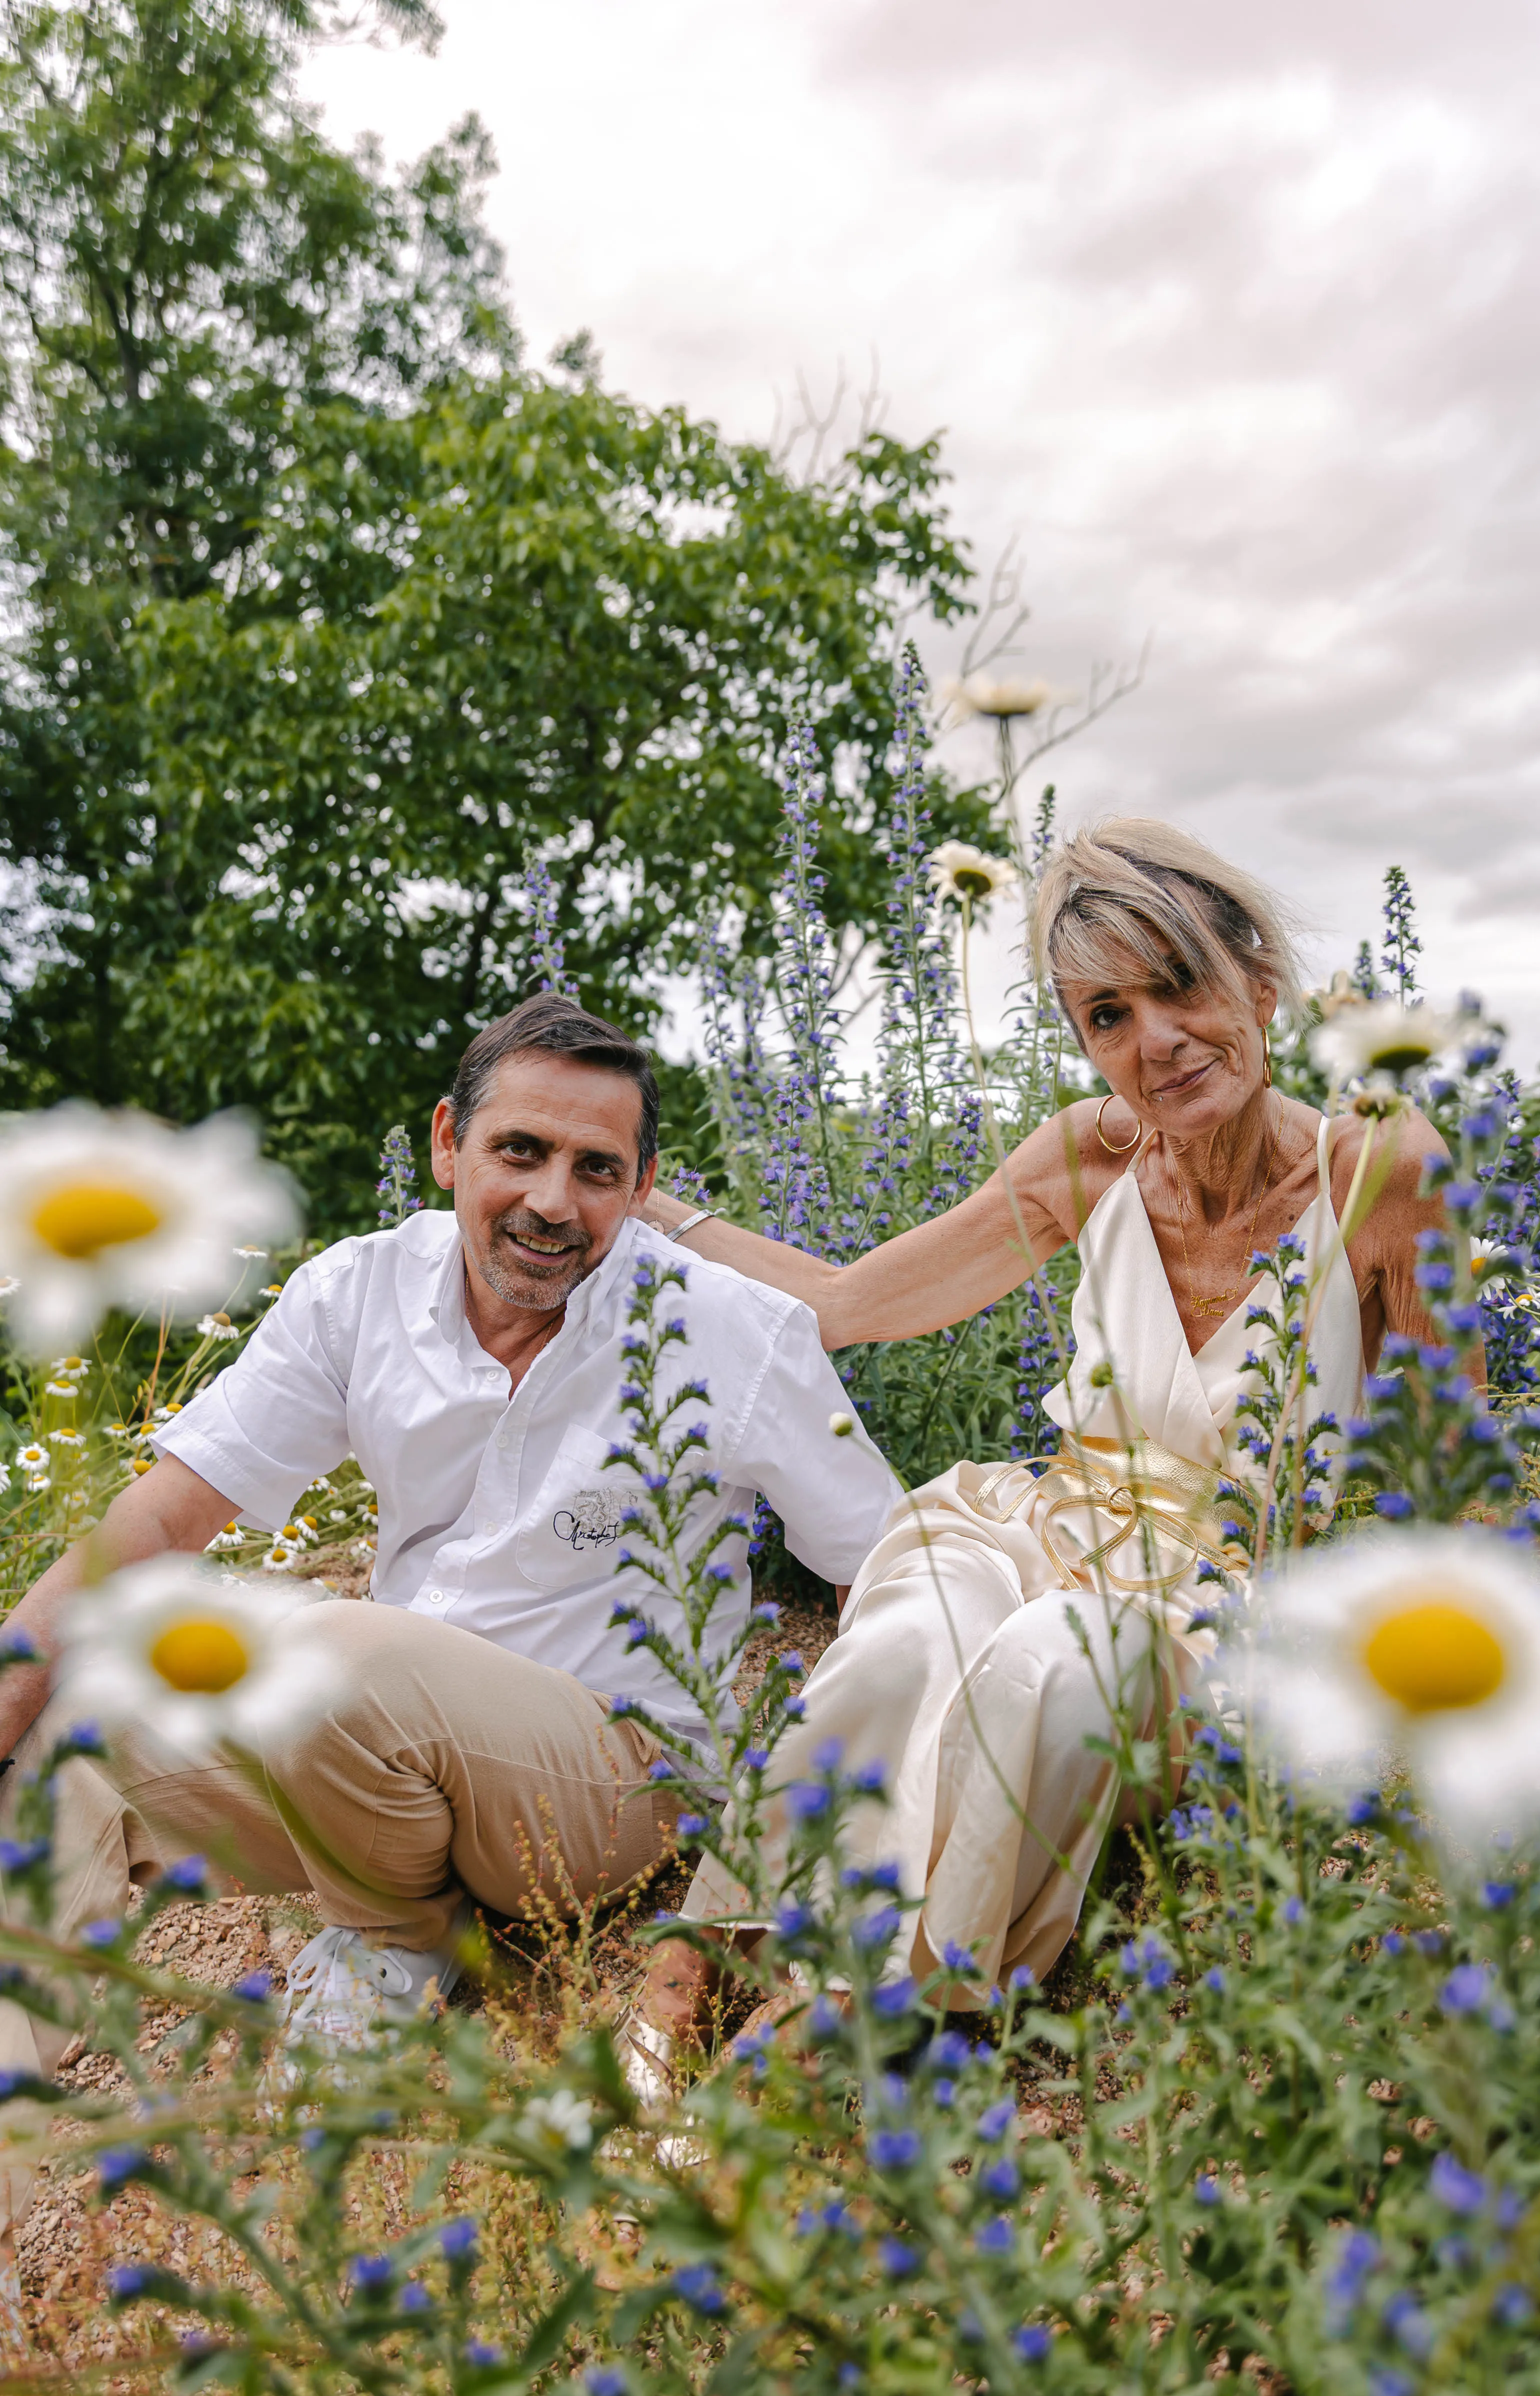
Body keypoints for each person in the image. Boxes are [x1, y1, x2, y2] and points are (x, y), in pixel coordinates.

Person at [0, 994, 898, 2250]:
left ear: (644, 1188)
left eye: (596, 1170)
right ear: (447, 1146)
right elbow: (156, 1525)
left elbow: (888, 1570)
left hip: (609, 1784)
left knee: (337, 1649)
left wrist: (806, 1841)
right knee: (79, 1719)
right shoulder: (358, 1291)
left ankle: (386, 1949)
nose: (550, 1202)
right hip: (379, 1753)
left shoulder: (731, 1332)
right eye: (519, 1153)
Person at [630, 818, 1452, 2063]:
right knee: (911, 1631)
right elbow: (850, 1305)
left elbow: (1461, 1460)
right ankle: (700, 1951)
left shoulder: (1386, 1172)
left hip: (1225, 1603)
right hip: (1039, 1522)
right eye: (1107, 1015)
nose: (1154, 1043)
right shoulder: (1090, 1155)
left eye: (1179, 987)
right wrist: (639, 1202)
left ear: (1260, 986)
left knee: (1046, 1660)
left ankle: (865, 2007)